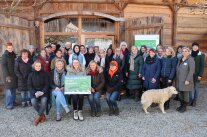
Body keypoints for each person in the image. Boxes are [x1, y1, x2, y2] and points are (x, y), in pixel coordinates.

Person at [28, 61, 49, 126]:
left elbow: (47, 84)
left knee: (44, 102)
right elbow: (29, 85)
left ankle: (38, 117)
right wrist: (34, 92)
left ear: (41, 66)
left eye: (39, 66)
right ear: (34, 66)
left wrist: (43, 92)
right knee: (33, 102)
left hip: (43, 92)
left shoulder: (44, 74)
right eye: (36, 66)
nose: (38, 67)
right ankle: (42, 115)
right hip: (34, 92)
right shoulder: (30, 74)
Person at [176, 46, 195, 113]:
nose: (184, 52)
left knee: (185, 94)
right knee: (180, 93)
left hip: (186, 80)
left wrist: (188, 80)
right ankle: (181, 105)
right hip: (179, 80)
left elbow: (191, 71)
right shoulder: (180, 59)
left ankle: (184, 107)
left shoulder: (190, 59)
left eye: (185, 51)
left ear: (188, 51)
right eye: (183, 51)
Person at [1, 42, 18, 109]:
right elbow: (3, 66)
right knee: (9, 91)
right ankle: (8, 104)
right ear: (6, 48)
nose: (10, 49)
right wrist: (7, 76)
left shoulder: (13, 55)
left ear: (12, 48)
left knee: (13, 90)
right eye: (9, 48)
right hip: (8, 76)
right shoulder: (4, 56)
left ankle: (13, 101)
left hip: (14, 75)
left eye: (11, 48)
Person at [189, 42, 205, 106]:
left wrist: (200, 75)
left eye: (196, 46)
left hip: (197, 74)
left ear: (198, 47)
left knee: (196, 87)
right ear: (192, 47)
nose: (195, 47)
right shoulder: (189, 54)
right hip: (190, 74)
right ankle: (190, 99)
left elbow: (202, 66)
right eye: (194, 46)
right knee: (189, 87)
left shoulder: (201, 55)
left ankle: (195, 100)